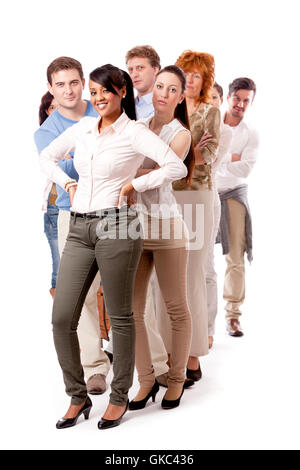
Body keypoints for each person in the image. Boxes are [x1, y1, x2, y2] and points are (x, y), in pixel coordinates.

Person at [39, 64, 188, 429]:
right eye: (93, 92)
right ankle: (77, 396)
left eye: (104, 90)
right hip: (79, 225)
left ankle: (119, 395)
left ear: (121, 91)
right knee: (62, 319)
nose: (97, 97)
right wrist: (66, 183)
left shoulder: (134, 132)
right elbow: (46, 157)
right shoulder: (85, 128)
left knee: (121, 317)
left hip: (118, 225)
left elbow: (175, 167)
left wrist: (135, 185)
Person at [34, 57, 110, 395]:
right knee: (82, 291)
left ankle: (139, 361)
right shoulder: (46, 132)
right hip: (71, 213)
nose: (68, 90)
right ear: (51, 88)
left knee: (129, 290)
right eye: (60, 84)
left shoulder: (102, 108)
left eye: (74, 82)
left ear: (83, 82)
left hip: (115, 210)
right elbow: (65, 170)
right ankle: (94, 366)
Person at [130, 65, 193, 411]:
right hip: (135, 229)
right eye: (159, 87)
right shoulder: (137, 127)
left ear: (181, 97)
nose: (163, 94)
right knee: (134, 310)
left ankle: (177, 380)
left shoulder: (179, 134)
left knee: (175, 308)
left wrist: (133, 173)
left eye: (172, 90)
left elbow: (159, 175)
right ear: (151, 89)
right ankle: (146, 380)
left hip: (168, 229)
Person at [156, 51, 220, 381]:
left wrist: (178, 156)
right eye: (187, 75)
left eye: (197, 75)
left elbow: (205, 158)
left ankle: (193, 355)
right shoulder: (168, 114)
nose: (191, 81)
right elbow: (160, 160)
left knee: (192, 274)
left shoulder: (210, 113)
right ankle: (170, 351)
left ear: (204, 80)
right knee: (167, 278)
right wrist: (184, 153)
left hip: (196, 197)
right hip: (166, 199)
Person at [125, 45, 170, 386]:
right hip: (131, 206)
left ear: (156, 69)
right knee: (137, 295)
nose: (135, 72)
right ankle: (149, 365)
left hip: (163, 206)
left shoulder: (159, 105)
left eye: (141, 66)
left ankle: (162, 364)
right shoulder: (128, 105)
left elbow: (165, 162)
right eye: (131, 67)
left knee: (158, 292)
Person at [215, 77, 259, 337]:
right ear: (228, 96)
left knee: (236, 257)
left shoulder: (251, 133)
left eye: (246, 100)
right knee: (197, 256)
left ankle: (233, 315)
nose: (240, 104)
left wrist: (219, 159)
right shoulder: (211, 119)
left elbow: (246, 167)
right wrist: (231, 157)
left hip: (233, 193)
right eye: (237, 98)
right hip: (205, 193)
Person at [206, 82, 233, 348]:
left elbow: (205, 164)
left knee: (205, 267)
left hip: (206, 200)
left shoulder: (223, 132)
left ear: (221, 101)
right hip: (178, 201)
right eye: (206, 97)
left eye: (215, 97)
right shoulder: (187, 126)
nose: (210, 102)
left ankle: (207, 327)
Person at [38, 92, 60, 299]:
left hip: (86, 206)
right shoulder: (45, 135)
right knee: (60, 265)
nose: (57, 111)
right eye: (52, 108)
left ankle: (99, 326)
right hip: (56, 206)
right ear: (46, 111)